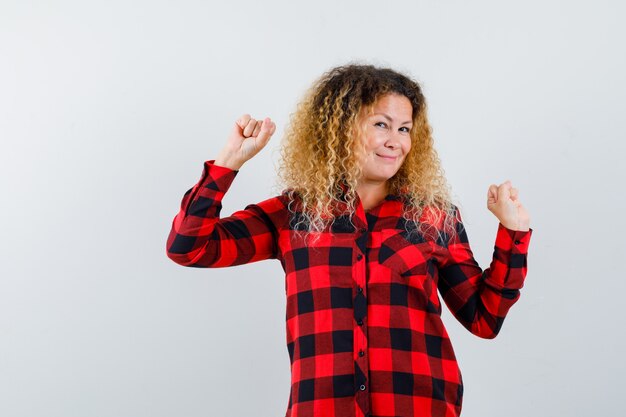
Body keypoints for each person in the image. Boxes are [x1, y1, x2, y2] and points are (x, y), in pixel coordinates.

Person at [165, 63, 533, 417]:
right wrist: (228, 162)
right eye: (381, 125)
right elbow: (190, 247)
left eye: (405, 129)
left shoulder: (434, 217)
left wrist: (513, 234)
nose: (396, 141)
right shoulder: (294, 213)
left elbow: (484, 319)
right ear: (340, 129)